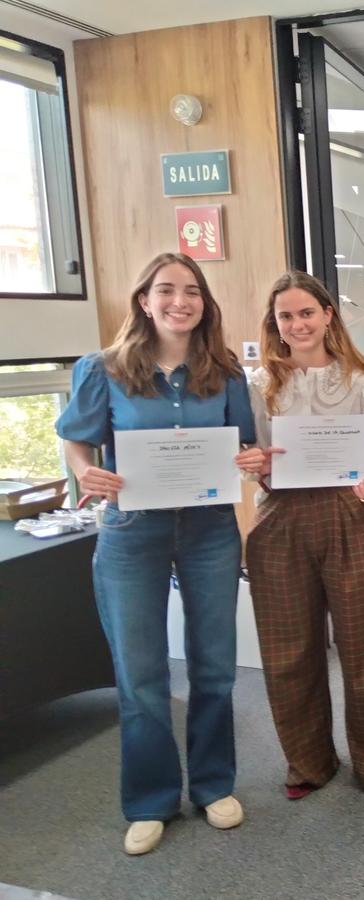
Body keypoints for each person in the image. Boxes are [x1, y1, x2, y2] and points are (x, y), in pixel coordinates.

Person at [55, 252, 256, 856]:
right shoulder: (103, 370)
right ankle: (150, 800)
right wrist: (87, 472)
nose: (180, 301)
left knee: (215, 665)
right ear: (143, 300)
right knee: (141, 674)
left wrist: (252, 460)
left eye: (191, 291)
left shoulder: (224, 373)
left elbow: (243, 443)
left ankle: (214, 784)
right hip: (132, 531)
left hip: (210, 529)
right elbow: (76, 440)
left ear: (204, 302)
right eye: (166, 290)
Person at [238, 271, 364, 799]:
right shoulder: (259, 385)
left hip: (352, 514)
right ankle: (308, 762)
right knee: (290, 651)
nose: (298, 323)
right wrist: (255, 466)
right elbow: (251, 456)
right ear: (276, 324)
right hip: (282, 517)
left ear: (327, 315)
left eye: (307, 312)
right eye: (286, 316)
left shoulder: (361, 382)